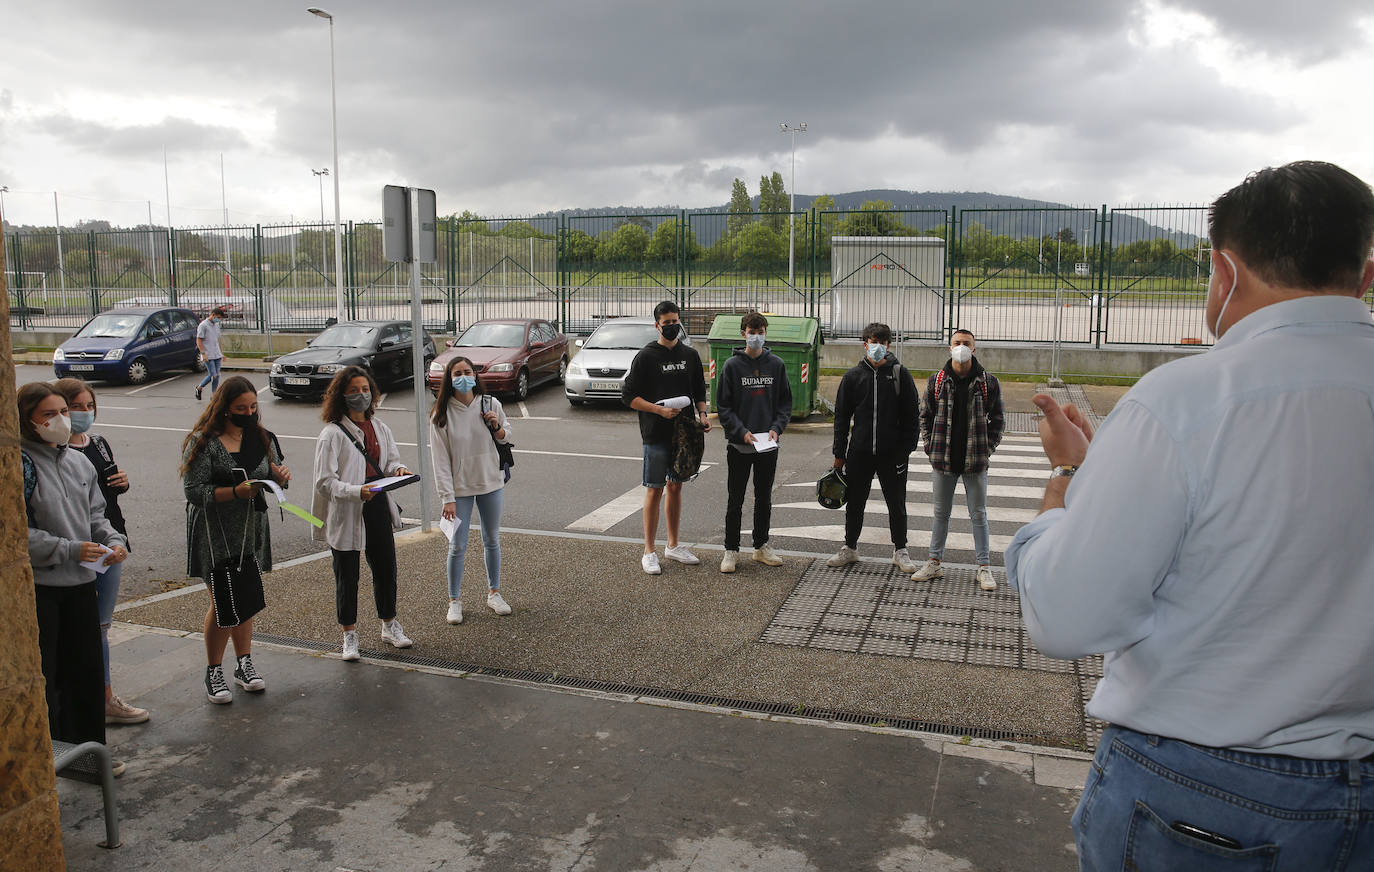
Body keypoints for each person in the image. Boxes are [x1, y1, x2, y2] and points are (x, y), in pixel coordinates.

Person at [1005, 161, 1374, 869]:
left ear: (1224, 273)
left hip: (1203, 800)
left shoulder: (1184, 401)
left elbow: (1066, 617)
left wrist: (1062, 482)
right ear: (1363, 276)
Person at [20, 382, 129, 773]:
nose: (61, 421)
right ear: (27, 420)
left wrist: (112, 541)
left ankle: (87, 758)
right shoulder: (21, 464)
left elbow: (96, 515)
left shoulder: (78, 462)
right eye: (49, 415)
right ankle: (50, 757)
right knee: (50, 679)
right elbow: (16, 533)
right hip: (43, 590)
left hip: (82, 583)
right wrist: (68, 549)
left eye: (63, 412)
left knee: (85, 673)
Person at [181, 375, 290, 704]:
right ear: (224, 408)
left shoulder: (263, 438)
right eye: (241, 408)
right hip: (215, 532)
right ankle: (213, 670)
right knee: (223, 601)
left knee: (245, 596)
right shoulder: (203, 441)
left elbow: (274, 473)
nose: (249, 412)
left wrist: (280, 477)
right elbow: (193, 491)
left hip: (250, 528)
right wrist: (233, 492)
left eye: (254, 406)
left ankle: (244, 663)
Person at [52, 377, 149, 726]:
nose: (82, 413)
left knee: (101, 625)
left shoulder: (99, 444)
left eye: (87, 406)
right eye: (73, 407)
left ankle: (104, 697)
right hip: (76, 550)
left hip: (109, 543)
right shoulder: (55, 453)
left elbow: (102, 501)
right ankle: (83, 702)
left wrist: (123, 483)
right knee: (80, 628)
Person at [312, 366, 414, 662]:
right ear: (341, 396)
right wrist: (356, 491)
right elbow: (324, 482)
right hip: (348, 510)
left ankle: (389, 624)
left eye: (365, 389)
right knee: (347, 575)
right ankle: (349, 635)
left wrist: (399, 470)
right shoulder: (331, 434)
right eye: (354, 390)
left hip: (377, 504)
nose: (361, 396)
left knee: (385, 568)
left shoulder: (380, 428)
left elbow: (391, 460)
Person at [621, 300, 710, 575]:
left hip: (683, 435)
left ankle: (673, 545)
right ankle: (649, 551)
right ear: (656, 325)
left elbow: (699, 390)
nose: (672, 327)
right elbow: (628, 396)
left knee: (676, 487)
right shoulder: (646, 357)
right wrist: (658, 410)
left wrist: (703, 415)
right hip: (656, 434)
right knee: (654, 488)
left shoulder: (690, 355)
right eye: (667, 323)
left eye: (675, 321)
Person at [912, 329, 1004, 591]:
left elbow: (998, 419)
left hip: (975, 461)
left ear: (974, 349)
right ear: (949, 348)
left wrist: (987, 449)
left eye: (966, 343)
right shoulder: (937, 381)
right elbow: (924, 416)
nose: (961, 347)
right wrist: (931, 447)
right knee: (940, 514)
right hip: (944, 460)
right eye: (957, 343)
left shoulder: (988, 382)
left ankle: (984, 568)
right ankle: (934, 562)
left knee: (979, 514)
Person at [827, 322, 920, 572]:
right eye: (871, 341)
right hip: (860, 453)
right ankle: (850, 548)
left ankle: (900, 550)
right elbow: (841, 419)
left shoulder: (900, 374)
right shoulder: (853, 377)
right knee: (855, 502)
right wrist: (839, 454)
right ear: (864, 343)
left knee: (896, 503)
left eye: (881, 341)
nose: (876, 346)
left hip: (892, 454)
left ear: (888, 345)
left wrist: (905, 451)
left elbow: (913, 417)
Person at [429, 356, 513, 624]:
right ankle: (454, 600)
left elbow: (507, 436)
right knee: (457, 545)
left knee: (492, 539)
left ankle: (494, 593)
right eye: (457, 373)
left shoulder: (490, 404)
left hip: (491, 482)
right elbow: (440, 462)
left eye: (467, 372)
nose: (463, 377)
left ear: (475, 376)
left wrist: (496, 425)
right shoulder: (441, 415)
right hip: (459, 490)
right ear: (449, 378)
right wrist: (447, 498)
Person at [716, 312, 792, 573]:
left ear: (766, 333)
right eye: (752, 331)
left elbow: (785, 403)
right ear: (743, 333)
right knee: (735, 499)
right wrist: (740, 431)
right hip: (740, 445)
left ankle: (761, 546)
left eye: (761, 331)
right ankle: (731, 550)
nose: (756, 336)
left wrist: (776, 428)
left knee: (764, 498)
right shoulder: (731, 366)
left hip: (767, 445)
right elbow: (723, 407)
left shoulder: (777, 365)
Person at [194, 306, 226, 401]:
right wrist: (203, 353)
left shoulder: (216, 325)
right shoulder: (203, 325)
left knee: (216, 375)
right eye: (218, 317)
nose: (218, 320)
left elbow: (218, 339)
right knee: (213, 375)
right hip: (208, 354)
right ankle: (214, 394)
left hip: (217, 354)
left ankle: (200, 388)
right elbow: (199, 340)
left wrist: (221, 353)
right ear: (213, 315)